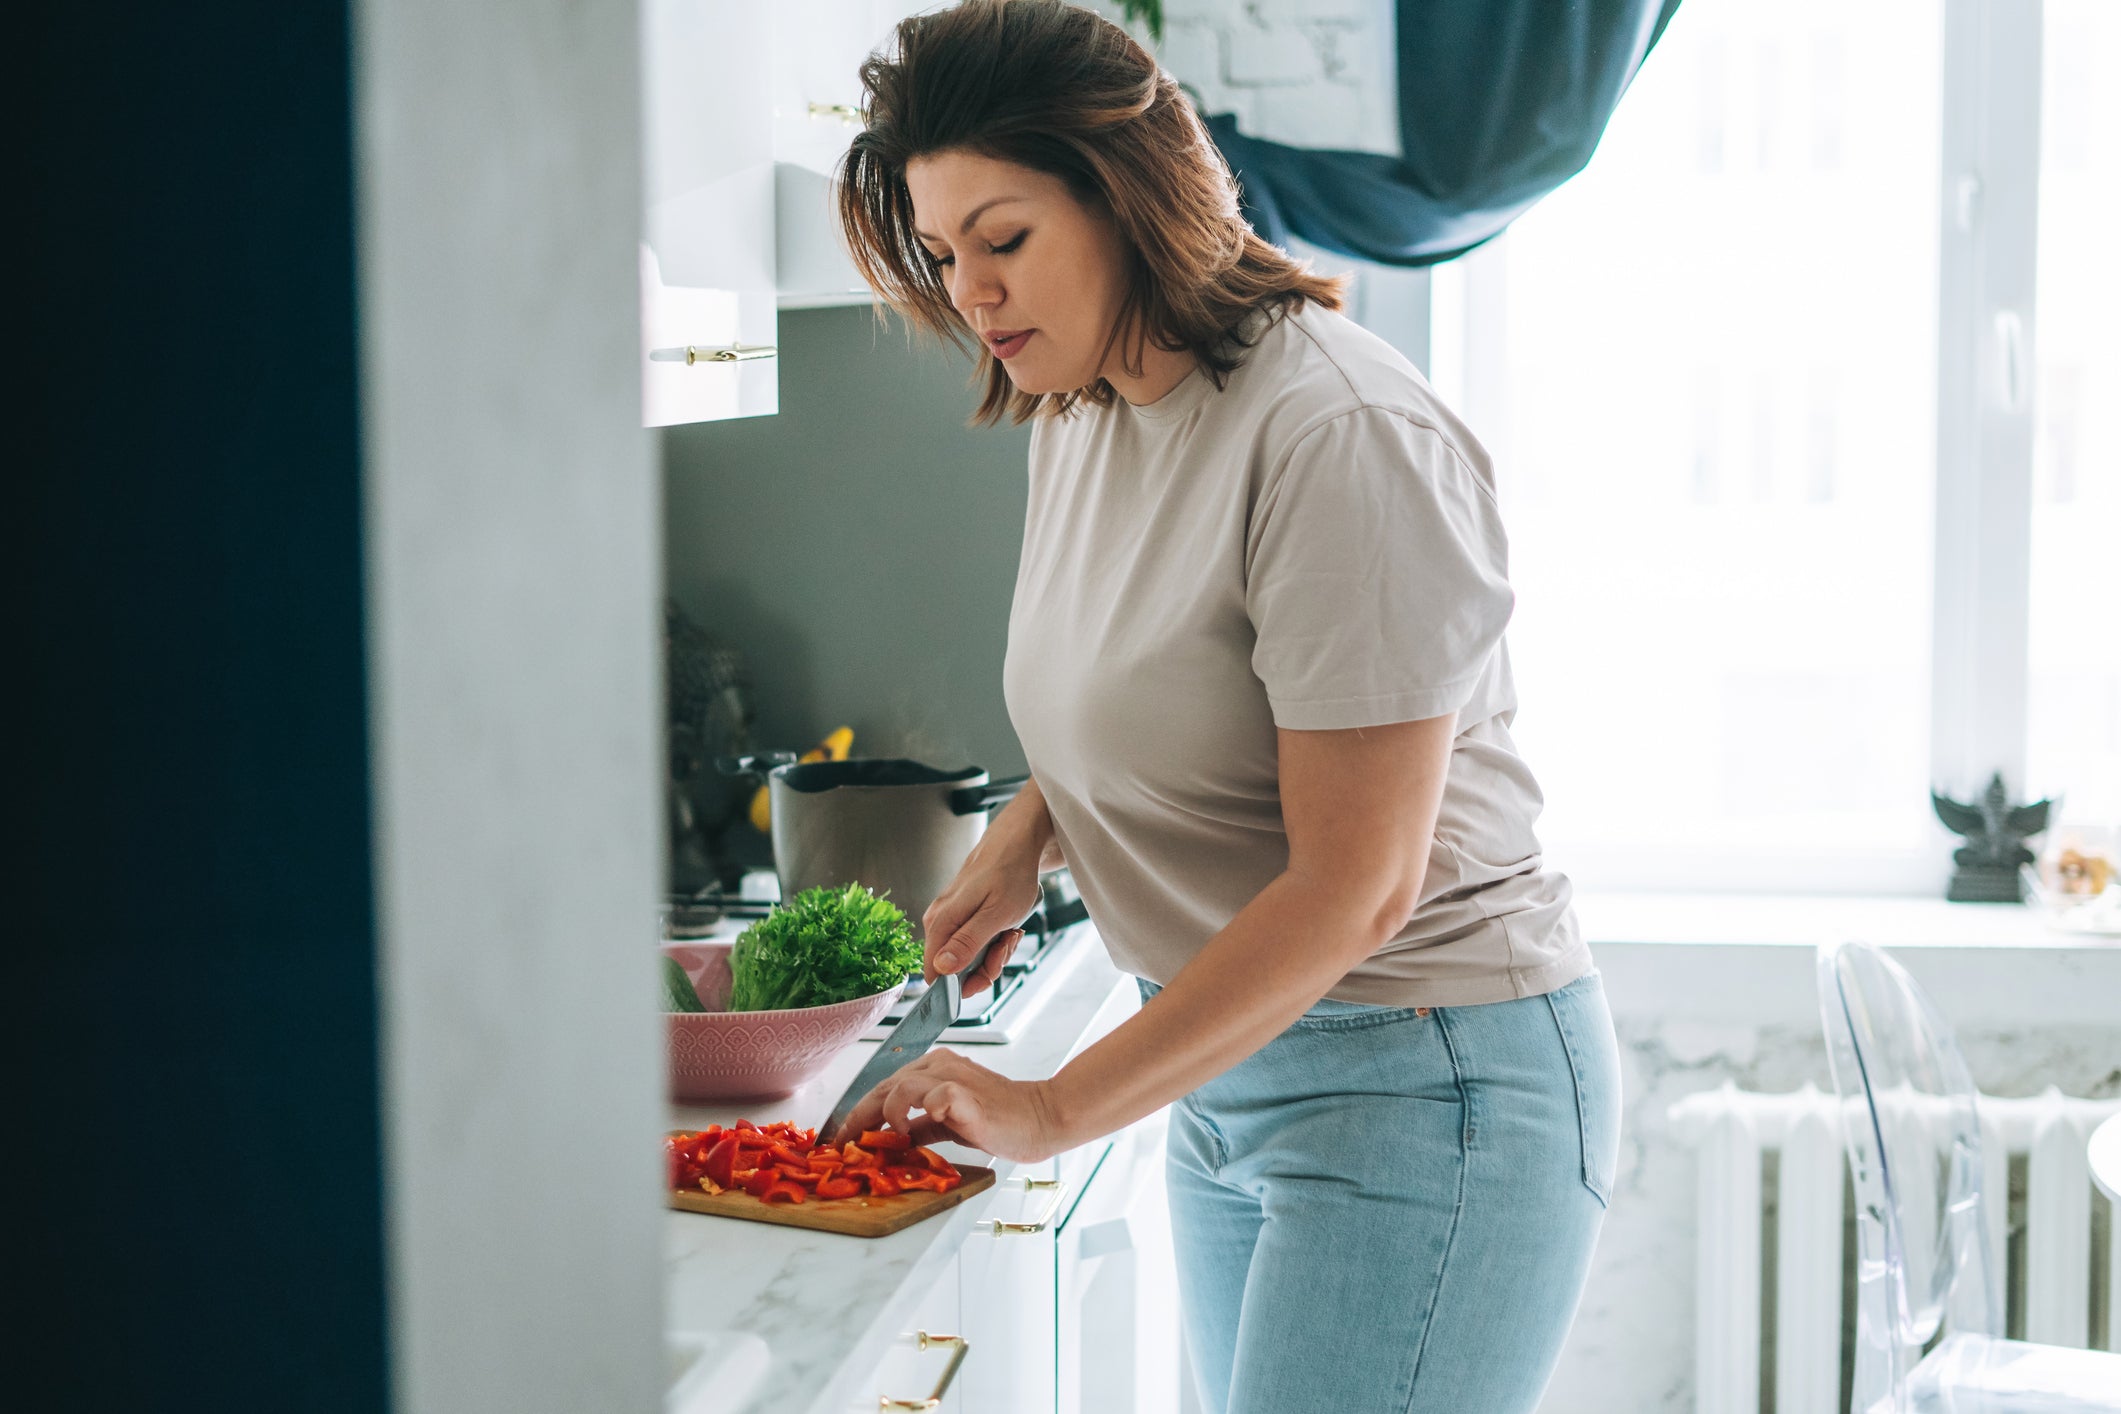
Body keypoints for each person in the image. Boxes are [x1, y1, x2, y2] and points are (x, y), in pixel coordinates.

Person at [828, 4, 1620, 1412]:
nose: (973, 297)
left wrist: (1054, 1107)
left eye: (1003, 240)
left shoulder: (1335, 436)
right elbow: (1176, 680)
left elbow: (1355, 885)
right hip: (1230, 1060)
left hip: (1428, 1082)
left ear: (1128, 196)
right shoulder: (1079, 407)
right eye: (945, 257)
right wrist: (1033, 826)